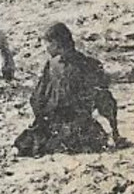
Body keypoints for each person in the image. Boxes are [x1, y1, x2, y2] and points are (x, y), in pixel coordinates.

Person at [15, 23, 125, 156]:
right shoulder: (89, 63)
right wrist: (114, 130)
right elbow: (106, 101)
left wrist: (42, 120)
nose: (45, 48)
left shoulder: (54, 65)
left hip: (58, 125)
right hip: (82, 126)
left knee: (31, 143)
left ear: (56, 43)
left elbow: (37, 100)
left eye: (47, 44)